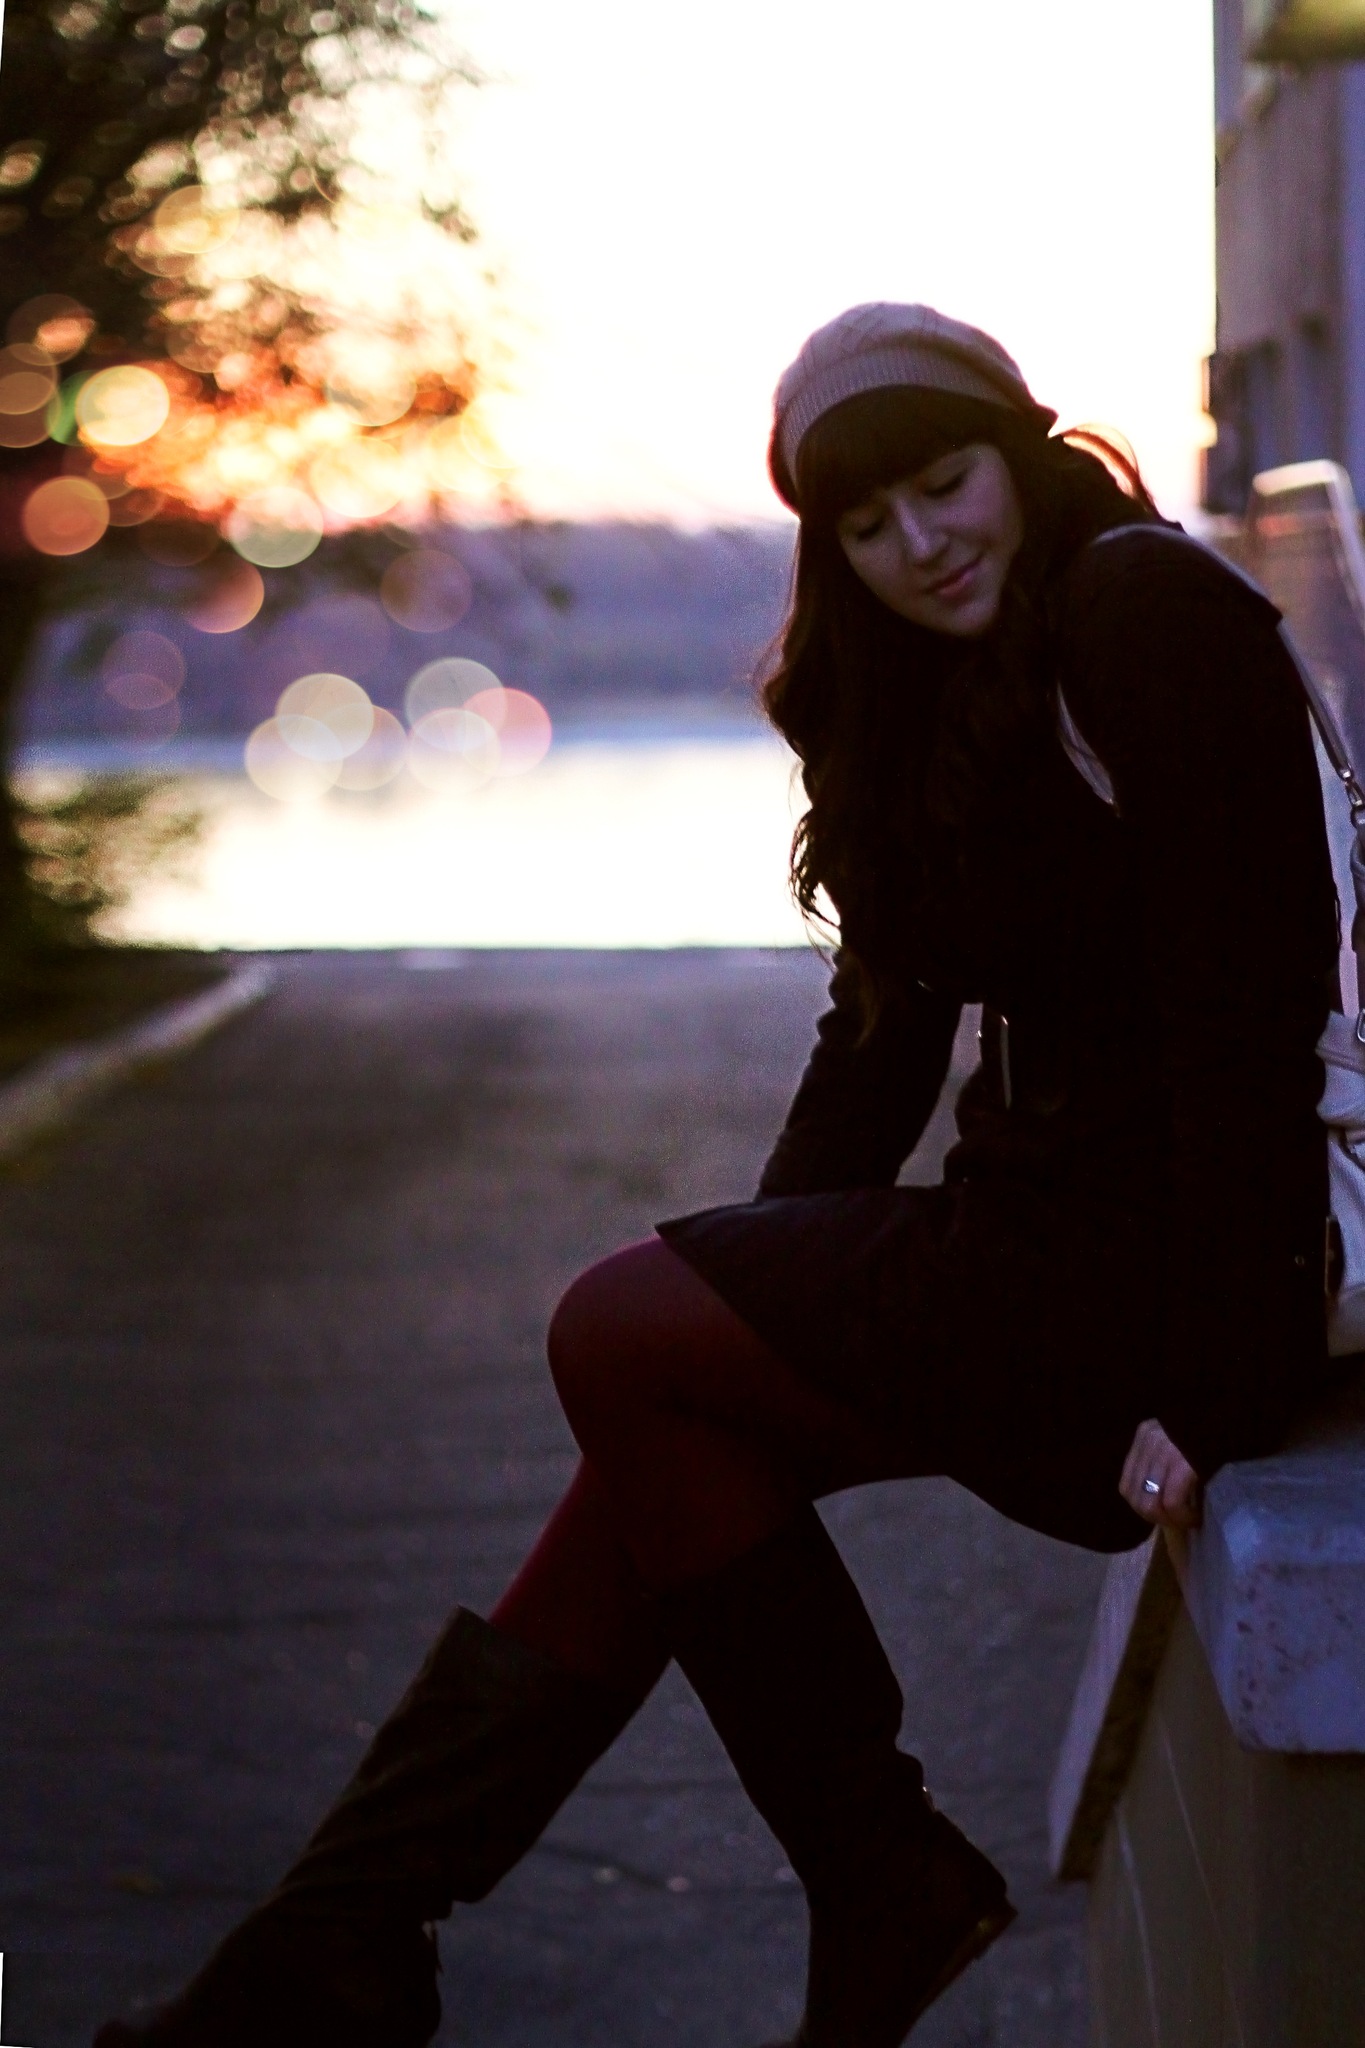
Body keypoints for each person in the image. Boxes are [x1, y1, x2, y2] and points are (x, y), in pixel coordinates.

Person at [94, 303, 1342, 2048]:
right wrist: (761, 1262)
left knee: (617, 1334)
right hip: (1037, 1243)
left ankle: (852, 1872)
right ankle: (344, 1940)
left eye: (943, 484)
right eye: (865, 523)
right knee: (663, 1407)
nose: (919, 544)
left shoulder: (1140, 609)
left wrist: (1217, 1373)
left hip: (1156, 1278)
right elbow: (880, 1037)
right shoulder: (926, 675)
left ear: (1017, 448)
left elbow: (1247, 1020)